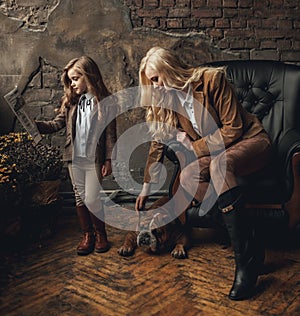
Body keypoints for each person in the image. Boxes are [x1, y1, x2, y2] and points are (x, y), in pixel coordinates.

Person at [136, 46, 272, 300]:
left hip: (252, 141)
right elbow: (157, 142)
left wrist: (192, 147)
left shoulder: (211, 80)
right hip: (218, 152)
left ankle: (245, 266)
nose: (154, 87)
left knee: (217, 165)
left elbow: (234, 128)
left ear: (169, 69)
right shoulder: (169, 102)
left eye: (155, 79)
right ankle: (251, 243)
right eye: (150, 83)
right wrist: (146, 186)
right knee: (187, 178)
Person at [34, 56, 117, 255]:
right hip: (74, 158)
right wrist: (37, 126)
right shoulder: (70, 102)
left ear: (88, 76)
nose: (72, 83)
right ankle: (87, 235)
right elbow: (56, 124)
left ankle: (101, 234)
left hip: (94, 158)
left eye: (75, 78)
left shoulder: (106, 102)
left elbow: (110, 135)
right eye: (70, 80)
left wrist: (108, 159)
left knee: (92, 197)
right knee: (80, 198)